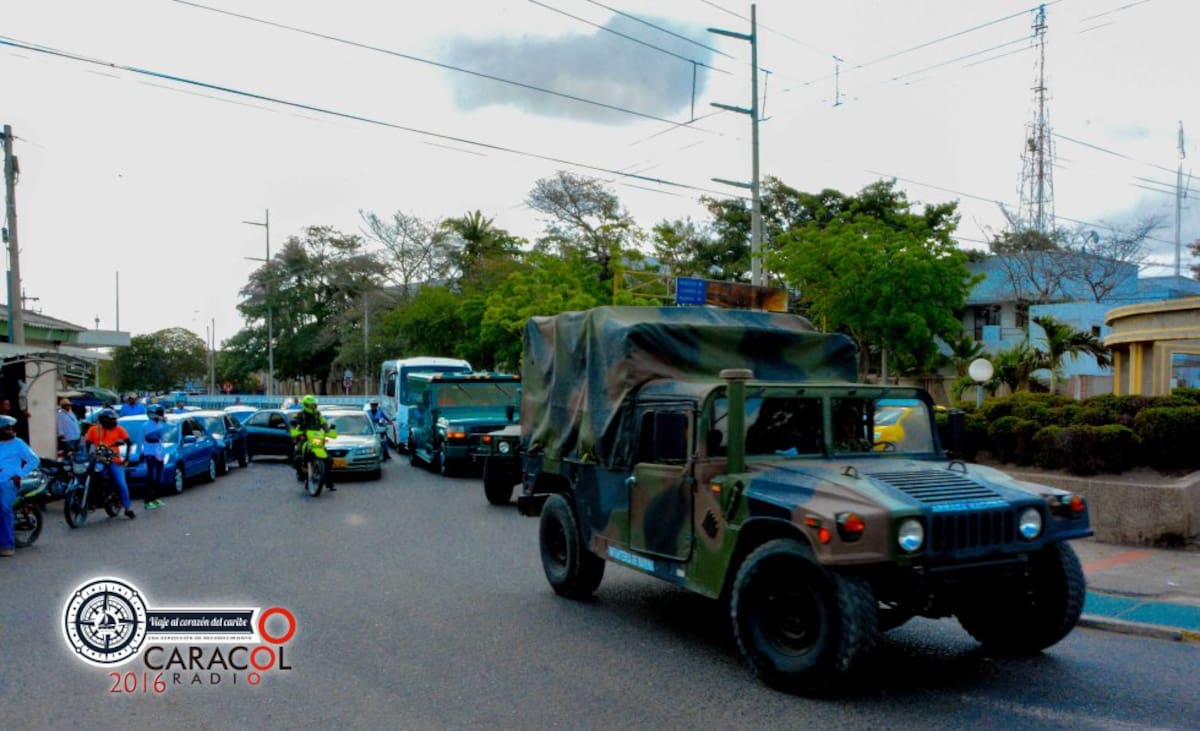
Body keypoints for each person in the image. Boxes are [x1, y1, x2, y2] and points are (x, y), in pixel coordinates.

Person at [0, 415, 40, 557]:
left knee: (4, 509)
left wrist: (20, 474)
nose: (10, 430)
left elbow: (33, 460)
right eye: (6, 428)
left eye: (10, 428)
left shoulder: (18, 443)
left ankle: (7, 545)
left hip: (9, 482)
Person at [85, 408, 136, 519]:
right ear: (102, 420)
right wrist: (87, 456)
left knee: (121, 484)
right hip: (99, 459)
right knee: (93, 476)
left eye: (113, 420)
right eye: (109, 420)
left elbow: (128, 443)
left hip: (115, 460)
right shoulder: (93, 430)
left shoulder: (119, 429)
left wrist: (126, 458)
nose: (111, 422)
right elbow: (87, 444)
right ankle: (93, 500)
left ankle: (128, 508)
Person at [290, 394, 334, 491]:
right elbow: (294, 423)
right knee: (297, 455)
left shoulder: (318, 414)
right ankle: (300, 472)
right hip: (305, 438)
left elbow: (323, 423)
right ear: (306, 405)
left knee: (328, 459)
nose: (313, 407)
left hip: (316, 438)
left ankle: (328, 481)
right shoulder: (300, 414)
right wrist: (294, 428)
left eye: (314, 405)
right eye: (311, 405)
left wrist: (328, 431)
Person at [141, 405, 166, 510]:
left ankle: (156, 498)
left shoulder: (159, 425)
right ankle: (148, 500)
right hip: (150, 454)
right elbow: (148, 439)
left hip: (159, 454)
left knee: (158, 477)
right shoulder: (147, 426)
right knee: (152, 477)